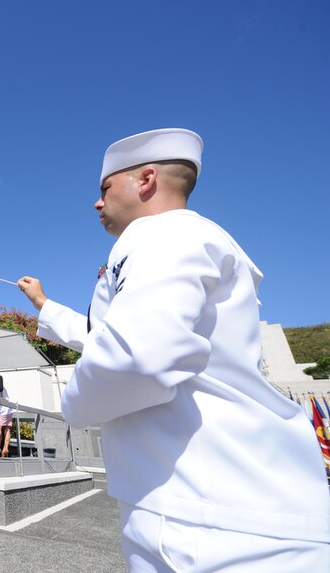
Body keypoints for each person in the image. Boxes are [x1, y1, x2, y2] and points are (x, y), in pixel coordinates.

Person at [17, 128, 330, 570]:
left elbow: (136, 358)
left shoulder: (159, 233)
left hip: (204, 519)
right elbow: (120, 338)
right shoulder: (189, 239)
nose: (97, 202)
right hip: (225, 505)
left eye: (105, 188)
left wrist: (71, 405)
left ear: (145, 180)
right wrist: (44, 305)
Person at [0, 387, 14, 458]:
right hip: (9, 409)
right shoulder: (2, 387)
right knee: (7, 429)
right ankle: (5, 448)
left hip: (1, 409)